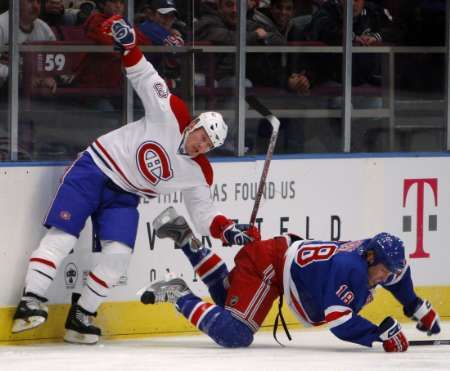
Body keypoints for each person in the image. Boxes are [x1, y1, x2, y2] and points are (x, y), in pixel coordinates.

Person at [11, 16, 260, 345]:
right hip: (95, 168)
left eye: (207, 145)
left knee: (118, 256)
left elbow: (204, 216)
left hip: (125, 196)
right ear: (195, 123)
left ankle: (81, 316)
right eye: (201, 134)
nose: (200, 144)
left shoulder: (199, 173)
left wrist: (227, 229)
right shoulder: (171, 112)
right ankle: (31, 301)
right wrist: (129, 46)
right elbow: (145, 76)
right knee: (64, 237)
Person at [140, 209, 441, 351]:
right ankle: (179, 294)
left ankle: (186, 238)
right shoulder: (351, 268)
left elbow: (397, 275)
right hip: (269, 267)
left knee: (224, 300)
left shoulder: (368, 253)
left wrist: (416, 305)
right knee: (235, 332)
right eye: (384, 272)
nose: (386, 278)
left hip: (276, 259)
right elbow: (339, 321)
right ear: (372, 259)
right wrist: (379, 334)